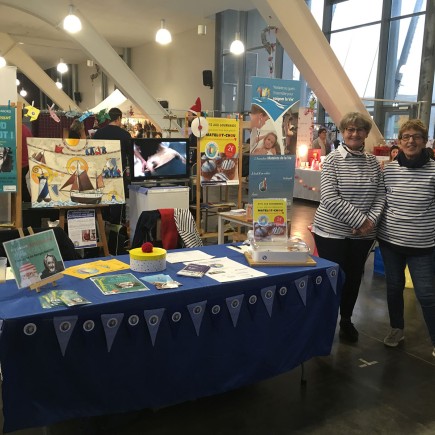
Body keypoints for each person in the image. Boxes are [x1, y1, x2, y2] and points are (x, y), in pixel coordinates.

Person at [311, 112, 385, 342]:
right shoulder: (332, 160)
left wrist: (369, 222)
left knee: (353, 278)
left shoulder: (373, 162)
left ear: (365, 133)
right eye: (350, 130)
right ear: (343, 133)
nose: (354, 134)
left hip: (362, 235)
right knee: (334, 278)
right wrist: (361, 221)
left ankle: (346, 320)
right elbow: (330, 198)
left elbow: (381, 195)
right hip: (331, 232)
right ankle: (325, 322)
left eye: (359, 129)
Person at [377, 119, 435, 358]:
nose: (411, 141)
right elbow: (383, 202)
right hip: (390, 242)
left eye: (417, 136)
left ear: (424, 141)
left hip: (422, 245)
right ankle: (396, 329)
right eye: (406, 137)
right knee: (393, 287)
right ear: (399, 142)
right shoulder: (389, 170)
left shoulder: (434, 171)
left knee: (426, 294)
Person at [93, 107, 132, 223]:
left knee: (103, 201)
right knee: (118, 205)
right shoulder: (125, 135)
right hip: (119, 174)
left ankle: (104, 226)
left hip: (101, 174)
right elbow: (130, 156)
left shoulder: (98, 134)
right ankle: (117, 231)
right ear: (119, 118)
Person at [21, 123, 32, 202]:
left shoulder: (16, 128)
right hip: (25, 162)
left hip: (20, 162)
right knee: (22, 184)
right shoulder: (26, 129)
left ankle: (27, 203)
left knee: (21, 185)